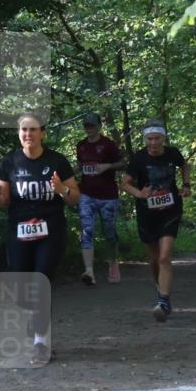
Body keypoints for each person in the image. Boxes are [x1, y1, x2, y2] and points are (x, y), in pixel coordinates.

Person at [0, 112, 80, 365]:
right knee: (21, 290)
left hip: (50, 231)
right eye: (23, 130)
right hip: (19, 231)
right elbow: (3, 202)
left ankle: (40, 342)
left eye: (32, 130)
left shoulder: (57, 161)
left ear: (42, 132)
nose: (27, 135)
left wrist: (62, 190)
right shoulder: (10, 163)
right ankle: (36, 322)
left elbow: (75, 198)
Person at [121, 120, 191, 322]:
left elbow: (184, 164)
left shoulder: (173, 154)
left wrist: (186, 184)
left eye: (157, 139)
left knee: (164, 257)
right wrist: (139, 194)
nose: (153, 143)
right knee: (153, 260)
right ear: (145, 140)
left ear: (163, 139)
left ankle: (164, 300)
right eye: (149, 139)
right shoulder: (138, 158)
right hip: (147, 213)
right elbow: (124, 183)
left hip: (171, 209)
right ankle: (160, 288)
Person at [75, 112, 124, 285]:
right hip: (86, 194)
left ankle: (113, 264)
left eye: (92, 126)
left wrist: (108, 166)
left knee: (109, 232)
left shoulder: (108, 144)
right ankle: (89, 271)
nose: (89, 129)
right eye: (86, 126)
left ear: (99, 126)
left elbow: (122, 163)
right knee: (87, 230)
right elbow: (79, 166)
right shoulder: (80, 146)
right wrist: (70, 174)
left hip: (108, 196)